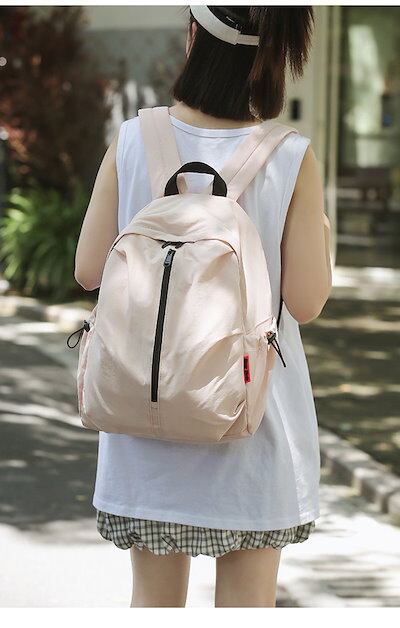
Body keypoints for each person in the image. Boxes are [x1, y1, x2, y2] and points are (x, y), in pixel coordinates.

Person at [74, 5, 332, 608]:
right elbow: (306, 302)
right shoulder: (290, 155)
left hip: (143, 429)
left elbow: (88, 271)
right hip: (252, 435)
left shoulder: (134, 139)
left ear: (194, 35)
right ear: (274, 54)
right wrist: (319, 232)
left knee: (153, 604)